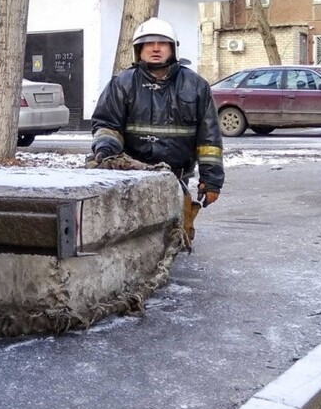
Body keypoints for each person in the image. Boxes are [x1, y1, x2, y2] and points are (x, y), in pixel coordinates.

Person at [87, 17, 224, 242]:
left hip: (176, 179)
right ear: (139, 50)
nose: (156, 48)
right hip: (131, 180)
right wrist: (106, 148)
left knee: (173, 240)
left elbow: (209, 139)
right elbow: (107, 125)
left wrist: (211, 181)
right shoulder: (122, 83)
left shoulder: (196, 85)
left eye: (163, 43)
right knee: (132, 241)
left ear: (173, 48)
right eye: (149, 43)